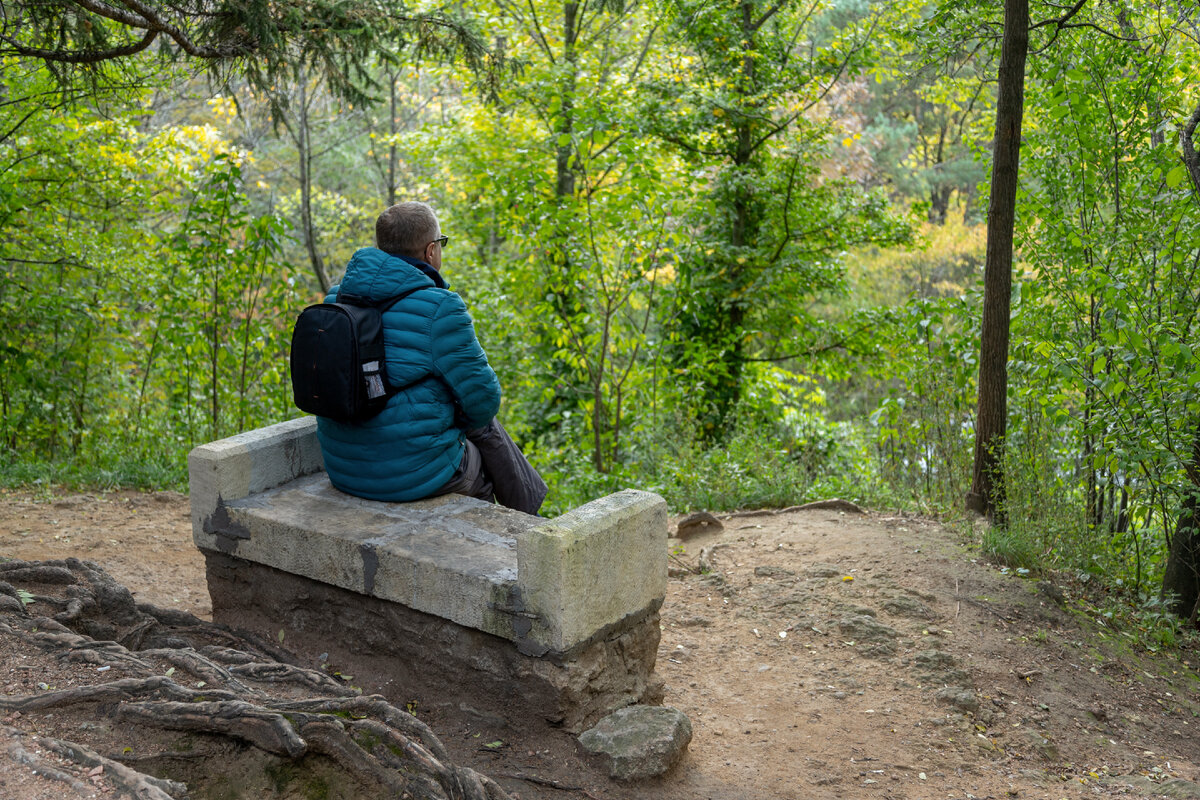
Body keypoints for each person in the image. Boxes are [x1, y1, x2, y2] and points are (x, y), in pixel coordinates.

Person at [314, 201, 547, 515]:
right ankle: (524, 526)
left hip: (344, 469)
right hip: (413, 477)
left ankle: (532, 514)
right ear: (430, 251)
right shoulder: (441, 308)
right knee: (482, 442)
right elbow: (484, 401)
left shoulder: (336, 299)